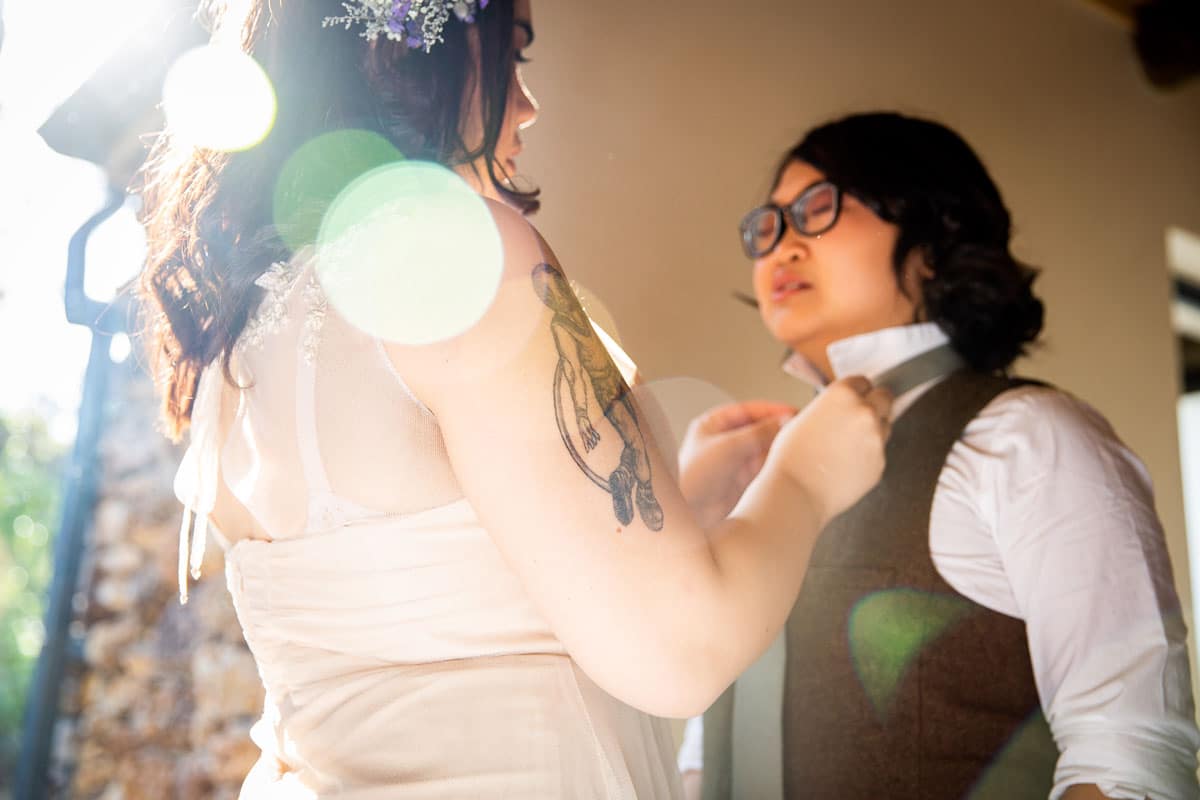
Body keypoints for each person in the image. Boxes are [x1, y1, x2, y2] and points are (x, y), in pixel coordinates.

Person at [135, 2, 893, 796]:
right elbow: (680, 655)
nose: (527, 105)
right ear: (411, 53)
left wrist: (687, 507)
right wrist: (806, 477)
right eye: (514, 55)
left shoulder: (233, 338)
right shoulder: (444, 247)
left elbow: (454, 578)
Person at [678, 111, 1200, 800]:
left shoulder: (1027, 437)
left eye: (817, 207)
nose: (783, 244)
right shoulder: (761, 480)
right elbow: (703, 748)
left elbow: (1128, 760)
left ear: (933, 239)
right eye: (768, 224)